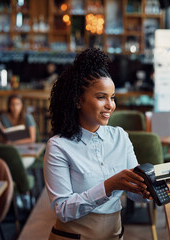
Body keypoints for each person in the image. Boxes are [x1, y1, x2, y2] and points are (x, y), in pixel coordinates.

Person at [44, 48, 151, 240]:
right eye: (101, 97)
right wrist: (108, 186)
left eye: (112, 97)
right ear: (78, 101)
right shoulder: (58, 146)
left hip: (114, 234)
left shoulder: (120, 137)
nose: (110, 105)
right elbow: (62, 209)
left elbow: (135, 194)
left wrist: (148, 188)